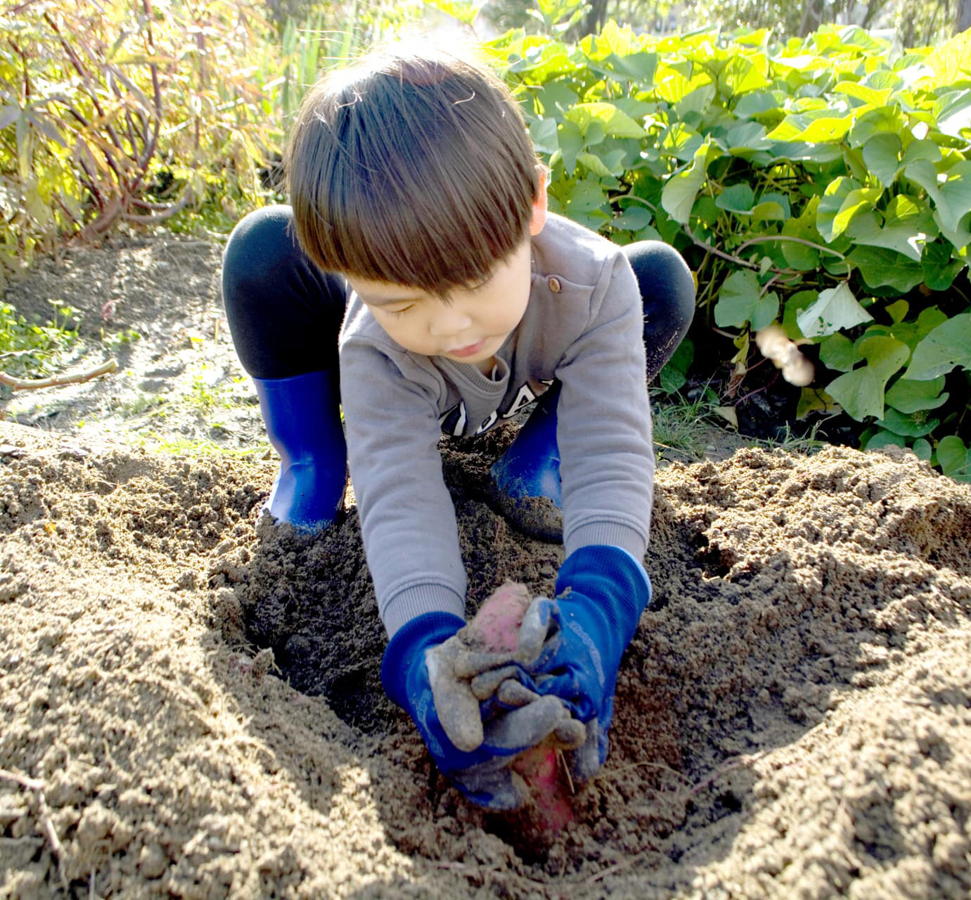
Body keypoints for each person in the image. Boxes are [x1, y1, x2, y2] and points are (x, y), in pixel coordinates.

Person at [221, 45, 695, 810]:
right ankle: (311, 465)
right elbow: (401, 500)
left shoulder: (595, 285)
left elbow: (613, 452)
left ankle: (537, 466)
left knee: (662, 278)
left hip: (549, 352)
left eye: (473, 281)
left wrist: (599, 613)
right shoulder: (372, 343)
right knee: (260, 251)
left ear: (533, 205)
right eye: (404, 303)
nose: (449, 326)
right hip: (396, 395)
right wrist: (423, 651)